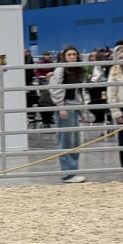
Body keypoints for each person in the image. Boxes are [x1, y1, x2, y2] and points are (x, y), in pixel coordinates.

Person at [48, 45, 88, 183]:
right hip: (66, 107)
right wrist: (61, 106)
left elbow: (80, 92)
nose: (72, 57)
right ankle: (67, 174)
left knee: (75, 141)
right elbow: (55, 89)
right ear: (64, 56)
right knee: (66, 141)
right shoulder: (60, 70)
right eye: (69, 55)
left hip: (75, 107)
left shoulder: (78, 70)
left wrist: (82, 110)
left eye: (74, 54)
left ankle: (73, 170)